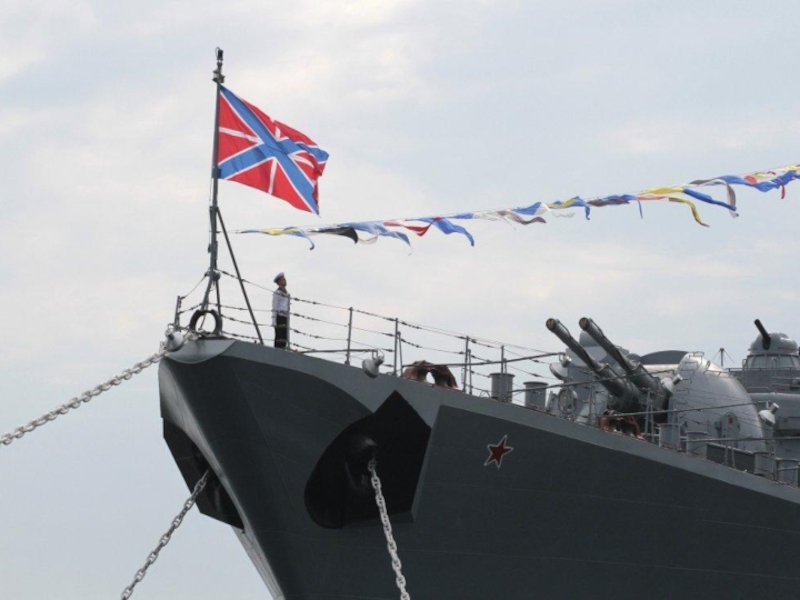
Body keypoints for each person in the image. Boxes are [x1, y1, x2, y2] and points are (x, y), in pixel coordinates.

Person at [272, 272, 290, 349]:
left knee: (284, 337)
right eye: (283, 279)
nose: (285, 280)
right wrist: (274, 319)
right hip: (280, 316)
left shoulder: (287, 294)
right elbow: (275, 306)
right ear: (279, 282)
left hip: (286, 317)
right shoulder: (277, 293)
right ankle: (277, 350)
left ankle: (283, 349)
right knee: (279, 337)